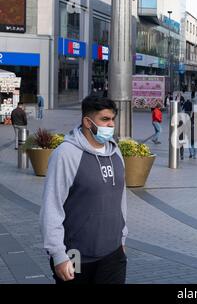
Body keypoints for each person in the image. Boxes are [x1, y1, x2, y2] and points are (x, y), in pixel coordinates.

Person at [40, 95, 128, 284]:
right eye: (105, 119)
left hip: (113, 254)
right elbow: (51, 206)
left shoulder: (116, 152)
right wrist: (58, 254)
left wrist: (122, 239)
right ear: (87, 122)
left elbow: (121, 199)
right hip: (75, 256)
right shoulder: (65, 154)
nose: (111, 125)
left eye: (113, 119)